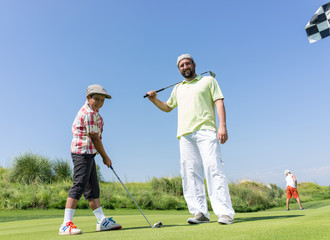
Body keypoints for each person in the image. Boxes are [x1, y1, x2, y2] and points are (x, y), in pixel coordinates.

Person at [146, 54, 235, 225]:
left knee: (213, 169)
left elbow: (219, 103)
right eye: (181, 65)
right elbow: (167, 107)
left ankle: (225, 213)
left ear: (194, 64)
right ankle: (200, 213)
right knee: (190, 173)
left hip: (206, 130)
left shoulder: (208, 81)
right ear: (179, 70)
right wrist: (154, 100)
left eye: (187, 64)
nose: (185, 67)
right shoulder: (178, 88)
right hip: (185, 135)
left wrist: (222, 126)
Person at [59, 84, 122, 235]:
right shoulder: (89, 114)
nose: (100, 103)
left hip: (88, 153)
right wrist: (106, 157)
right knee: (79, 185)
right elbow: (95, 138)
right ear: (88, 98)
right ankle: (65, 224)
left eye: (102, 100)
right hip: (82, 153)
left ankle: (102, 221)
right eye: (97, 99)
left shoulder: (94, 112)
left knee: (93, 188)